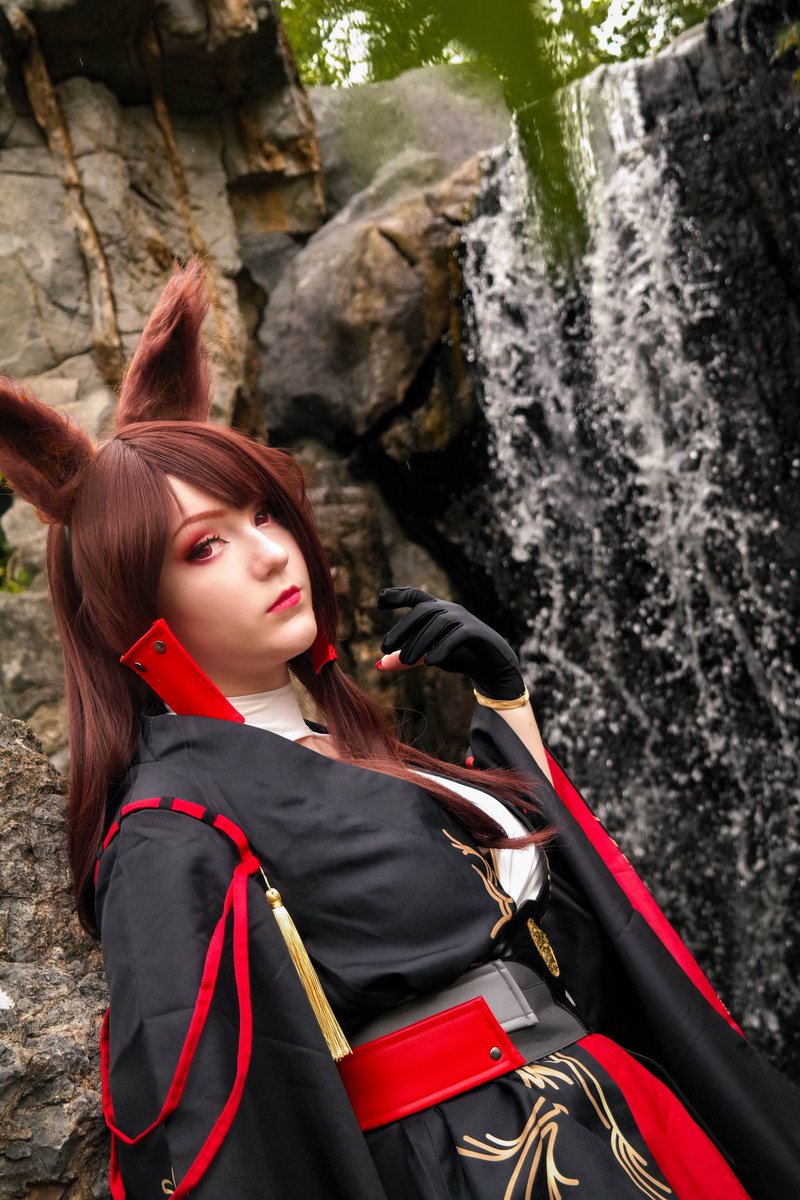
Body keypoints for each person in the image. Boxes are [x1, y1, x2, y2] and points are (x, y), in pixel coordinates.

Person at [0, 263, 798, 1200]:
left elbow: (561, 932)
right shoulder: (169, 824)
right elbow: (206, 1134)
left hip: (605, 1110)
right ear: (135, 604)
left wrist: (506, 709)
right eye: (205, 545)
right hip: (477, 1160)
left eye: (265, 513)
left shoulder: (345, 746)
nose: (271, 553)